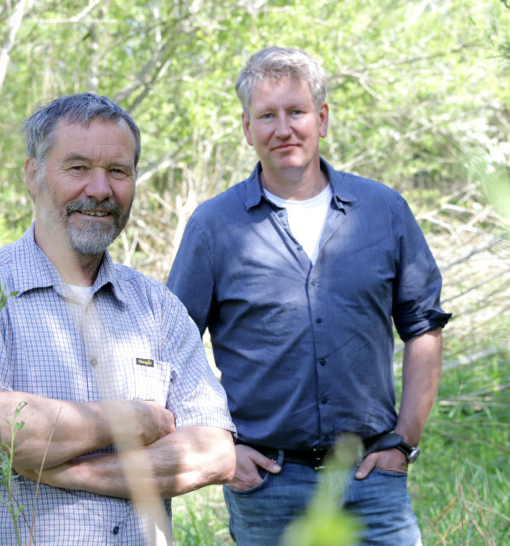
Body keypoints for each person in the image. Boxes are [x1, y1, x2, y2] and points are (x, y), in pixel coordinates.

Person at [0, 93, 236, 545]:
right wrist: (131, 421)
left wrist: (66, 470)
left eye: (118, 171)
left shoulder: (157, 308)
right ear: (33, 174)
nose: (100, 189)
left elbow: (213, 454)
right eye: (78, 167)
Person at [166, 47, 451, 545]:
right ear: (246, 127)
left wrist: (405, 441)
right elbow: (173, 346)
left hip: (373, 478)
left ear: (321, 118)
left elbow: (423, 325)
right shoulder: (214, 227)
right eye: (267, 116)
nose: (284, 129)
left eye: (296, 112)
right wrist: (222, 449)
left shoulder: (383, 211)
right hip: (268, 485)